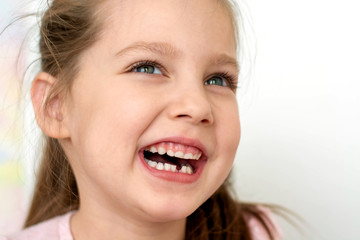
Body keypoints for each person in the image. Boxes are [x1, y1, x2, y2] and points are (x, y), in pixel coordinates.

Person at [2, 0, 282, 239]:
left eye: (218, 79)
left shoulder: (255, 232)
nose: (197, 106)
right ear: (56, 106)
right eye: (148, 67)